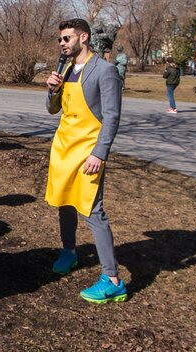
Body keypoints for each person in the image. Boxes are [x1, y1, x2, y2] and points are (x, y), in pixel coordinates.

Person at [45, 18, 127, 304]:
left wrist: (99, 153)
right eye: (60, 40)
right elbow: (52, 110)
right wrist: (52, 89)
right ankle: (69, 251)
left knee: (93, 211)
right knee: (65, 202)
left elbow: (112, 117)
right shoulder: (65, 69)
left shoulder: (105, 71)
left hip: (88, 152)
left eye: (67, 38)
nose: (62, 44)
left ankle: (113, 279)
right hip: (64, 148)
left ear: (84, 37)